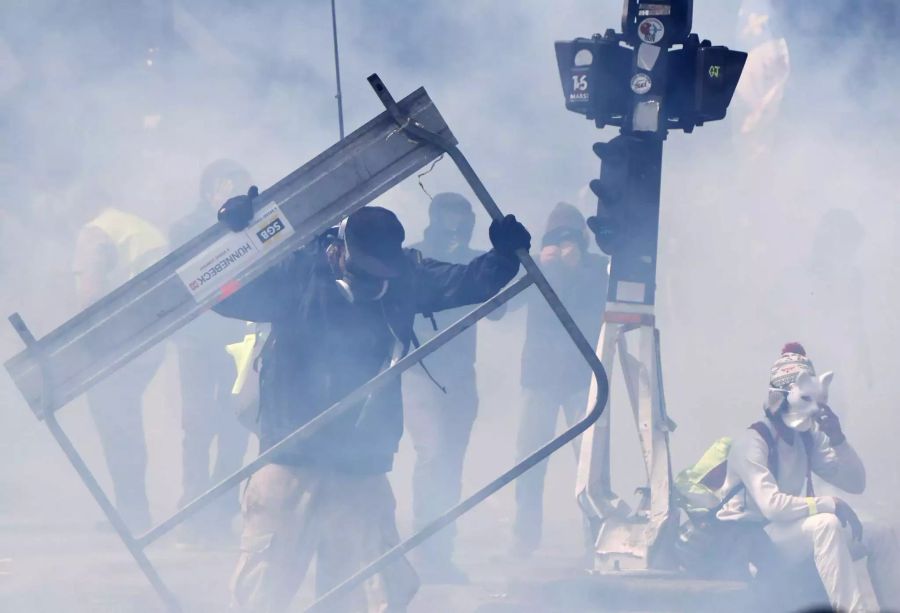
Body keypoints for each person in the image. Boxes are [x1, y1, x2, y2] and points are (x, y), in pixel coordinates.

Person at [213, 189, 530, 612]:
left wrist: (504, 256)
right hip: (291, 449)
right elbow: (221, 291)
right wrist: (241, 237)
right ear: (339, 252)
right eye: (365, 271)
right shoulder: (297, 272)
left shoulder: (405, 276)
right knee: (263, 588)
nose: (374, 282)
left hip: (361, 458)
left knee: (368, 590)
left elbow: (467, 282)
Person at [717, 343, 900, 612]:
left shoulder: (806, 438)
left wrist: (838, 440)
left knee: (881, 533)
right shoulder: (753, 442)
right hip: (753, 543)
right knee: (825, 523)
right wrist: (829, 504)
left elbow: (855, 483)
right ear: (779, 398)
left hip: (787, 535)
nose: (814, 410)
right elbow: (772, 506)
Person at [403, 192, 503, 583]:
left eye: (463, 217)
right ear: (433, 217)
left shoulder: (477, 262)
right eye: (449, 216)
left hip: (462, 372)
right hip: (419, 369)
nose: (456, 224)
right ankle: (424, 548)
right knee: (433, 453)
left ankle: (440, 550)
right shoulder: (411, 257)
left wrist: (482, 267)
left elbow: (498, 310)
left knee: (451, 461)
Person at [512, 202, 608, 557]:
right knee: (528, 460)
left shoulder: (597, 268)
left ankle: (596, 538)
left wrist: (576, 268)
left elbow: (602, 300)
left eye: (572, 238)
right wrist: (542, 266)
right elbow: (506, 306)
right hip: (539, 378)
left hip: (582, 377)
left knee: (589, 464)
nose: (565, 245)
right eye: (557, 238)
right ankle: (523, 540)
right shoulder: (537, 267)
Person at [72, 190, 168, 532]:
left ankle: (132, 514)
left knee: (116, 426)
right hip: (151, 337)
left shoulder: (95, 232)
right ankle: (134, 510)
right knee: (126, 421)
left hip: (115, 342)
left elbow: (90, 295)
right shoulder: (138, 227)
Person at [169, 159, 254, 547]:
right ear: (208, 192)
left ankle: (221, 511)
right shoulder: (186, 228)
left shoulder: (254, 221)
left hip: (240, 336)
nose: (232, 190)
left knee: (236, 422)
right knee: (198, 424)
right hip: (197, 341)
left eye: (238, 183)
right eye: (225, 184)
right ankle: (193, 509)